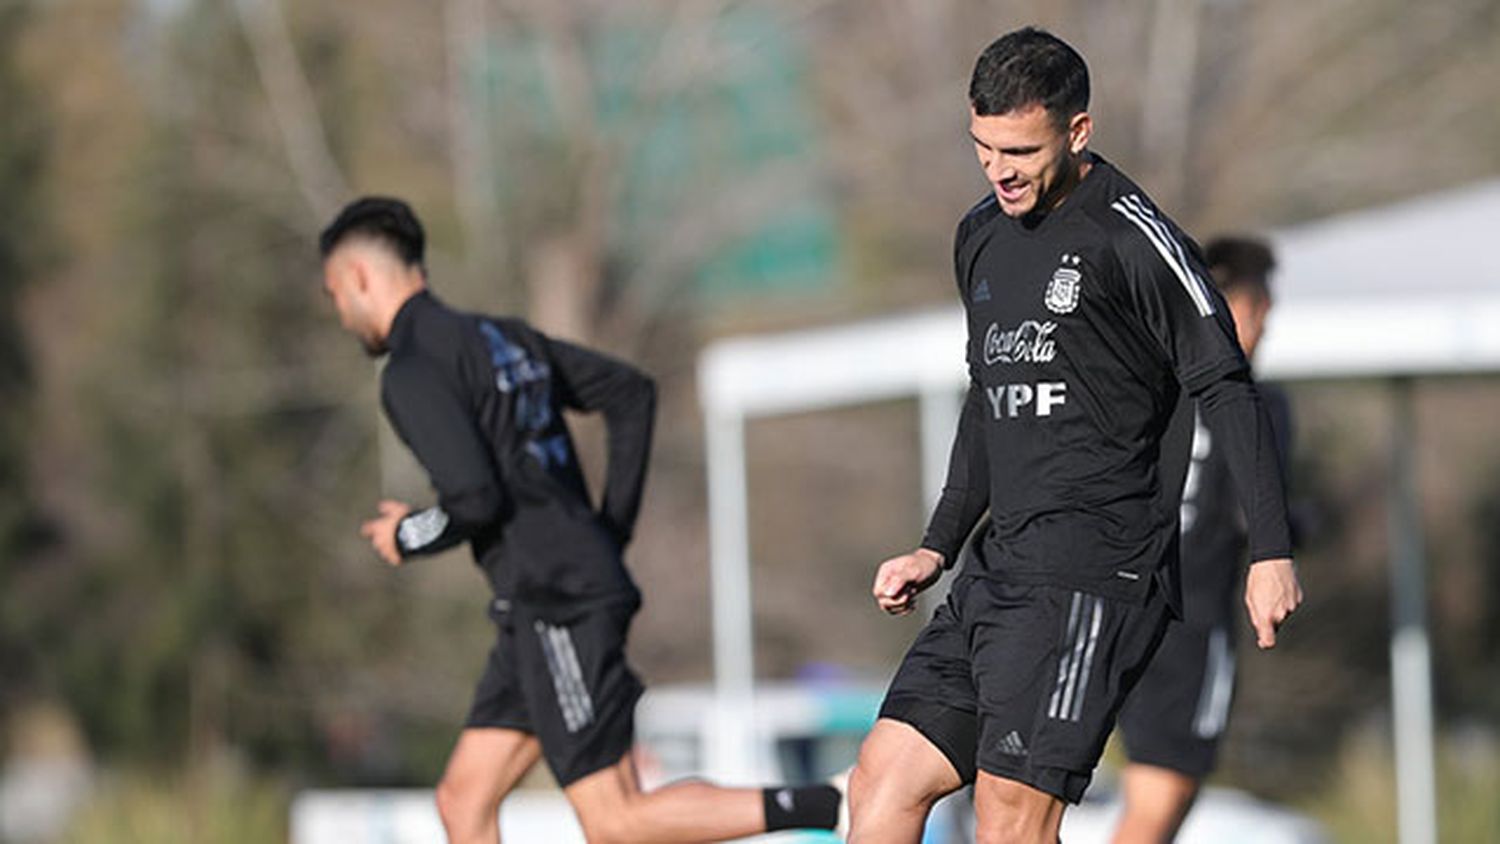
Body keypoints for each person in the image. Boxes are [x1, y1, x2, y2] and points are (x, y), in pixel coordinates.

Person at [845, 28, 1303, 844]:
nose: (1000, 169)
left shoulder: (1133, 238)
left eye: (1020, 149)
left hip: (1093, 573)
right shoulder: (980, 234)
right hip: (997, 567)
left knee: (1009, 819)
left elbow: (1225, 383)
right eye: (983, 146)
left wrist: (1269, 551)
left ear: (1078, 131)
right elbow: (991, 397)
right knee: (883, 778)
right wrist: (937, 546)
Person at [318, 196, 840, 844]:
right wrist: (609, 528)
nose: (341, 314)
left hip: (556, 599)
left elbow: (476, 499)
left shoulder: (411, 371)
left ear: (359, 279)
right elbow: (631, 394)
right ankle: (829, 804)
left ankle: (831, 805)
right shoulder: (499, 337)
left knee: (615, 820)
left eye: (335, 295)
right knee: (463, 802)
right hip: (536, 602)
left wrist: (408, 534)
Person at [1111, 236, 1295, 843]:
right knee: (1161, 799)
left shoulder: (1145, 389)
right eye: (1261, 308)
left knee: (1149, 797)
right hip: (1192, 625)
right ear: (1243, 307)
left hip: (1118, 608)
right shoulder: (1257, 404)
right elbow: (1257, 515)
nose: (1265, 326)